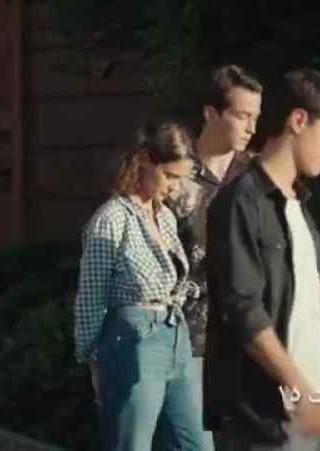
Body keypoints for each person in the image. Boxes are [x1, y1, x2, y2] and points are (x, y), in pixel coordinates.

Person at [204, 68, 320, 451]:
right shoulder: (240, 201)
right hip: (268, 420)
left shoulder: (301, 207)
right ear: (298, 120)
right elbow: (243, 310)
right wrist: (300, 390)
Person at [74, 119, 204, 450]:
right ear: (145, 160)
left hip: (176, 336)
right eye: (170, 176)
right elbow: (91, 295)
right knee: (132, 443)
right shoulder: (111, 219)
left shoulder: (166, 216)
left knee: (196, 443)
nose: (174, 187)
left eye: (181, 178)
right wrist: (93, 359)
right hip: (135, 340)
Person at [162, 65, 262, 451]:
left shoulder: (258, 177)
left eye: (256, 117)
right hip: (189, 343)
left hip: (251, 346)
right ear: (211, 113)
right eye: (242, 115)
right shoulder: (174, 178)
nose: (251, 127)